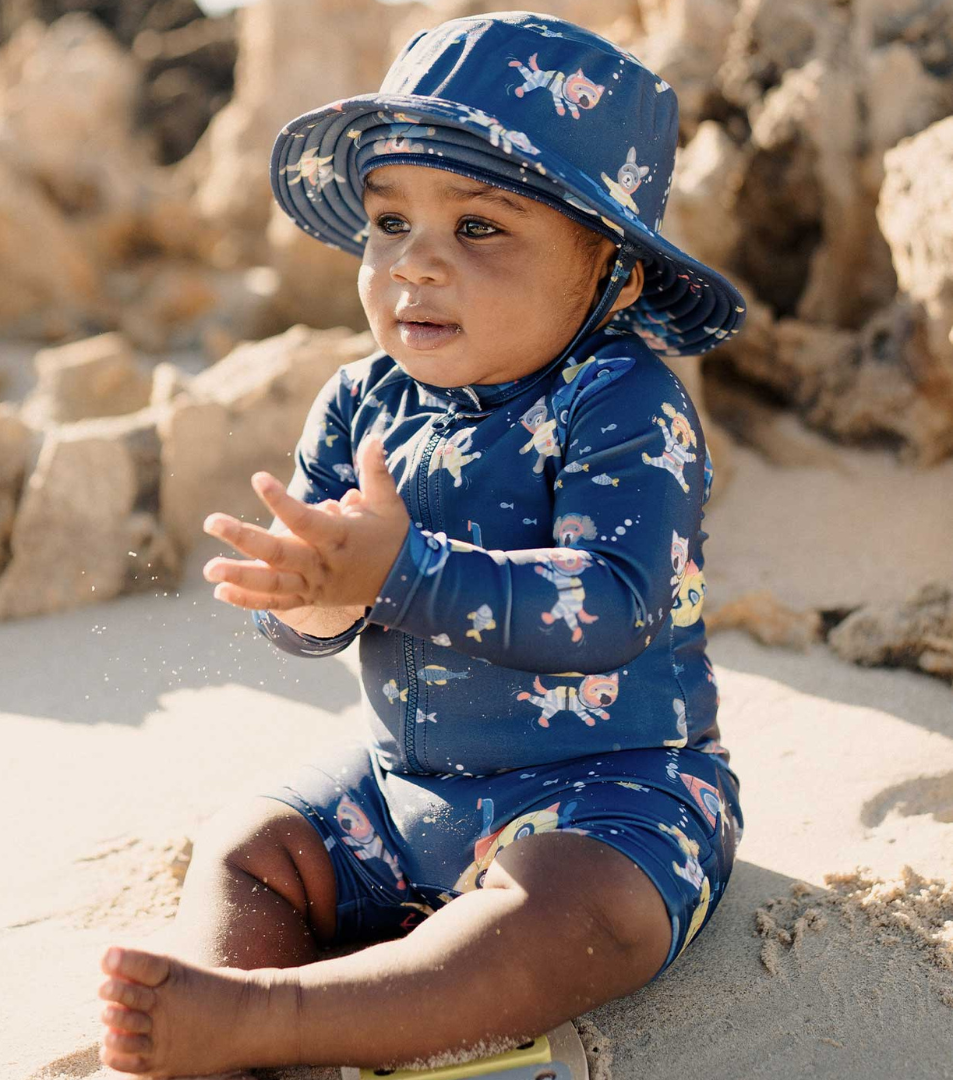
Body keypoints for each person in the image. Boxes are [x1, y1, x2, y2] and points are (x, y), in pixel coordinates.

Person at [96, 11, 748, 1077]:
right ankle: (234, 999)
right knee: (249, 847)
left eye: (479, 228)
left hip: (610, 793)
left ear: (612, 276)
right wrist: (310, 593)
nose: (417, 265)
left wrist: (401, 572)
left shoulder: (624, 404)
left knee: (575, 922)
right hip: (410, 788)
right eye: (389, 221)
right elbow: (314, 622)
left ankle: (285, 1019)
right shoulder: (361, 402)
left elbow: (614, 604)